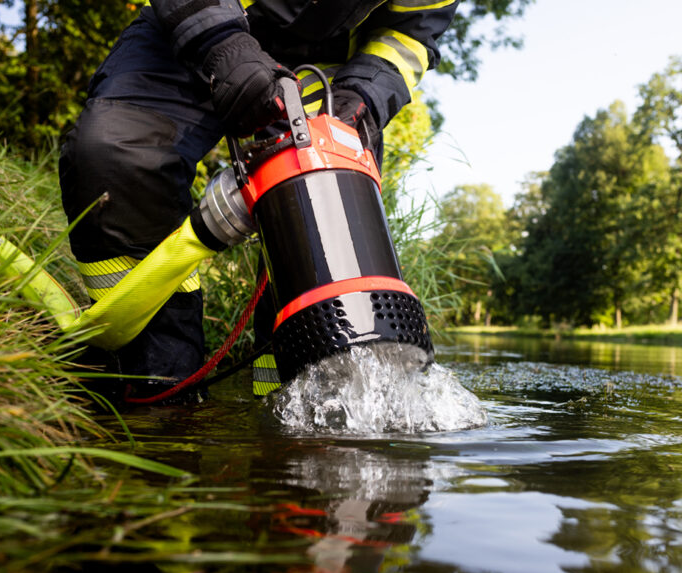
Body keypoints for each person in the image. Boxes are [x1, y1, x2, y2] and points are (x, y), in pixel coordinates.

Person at [59, 0, 459, 402]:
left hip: (331, 65)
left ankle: (291, 407)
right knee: (116, 154)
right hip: (193, 20)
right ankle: (157, 384)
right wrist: (224, 44)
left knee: (327, 216)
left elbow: (410, 33)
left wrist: (364, 94)